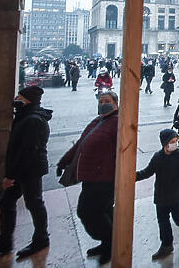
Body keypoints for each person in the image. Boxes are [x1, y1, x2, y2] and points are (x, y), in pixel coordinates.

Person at [0, 86, 52, 260]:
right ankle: (5, 242)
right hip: (23, 169)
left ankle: (41, 239)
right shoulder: (26, 116)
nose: (16, 99)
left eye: (19, 96)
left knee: (34, 203)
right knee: (9, 202)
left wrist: (11, 176)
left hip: (29, 169)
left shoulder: (32, 119)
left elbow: (26, 151)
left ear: (27, 100)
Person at [57, 91, 119, 264]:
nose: (103, 104)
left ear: (116, 103)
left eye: (107, 101)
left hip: (105, 176)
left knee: (86, 211)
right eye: (101, 101)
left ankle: (111, 242)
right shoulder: (98, 121)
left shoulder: (117, 122)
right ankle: (108, 242)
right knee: (103, 210)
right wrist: (65, 161)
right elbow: (81, 143)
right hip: (91, 176)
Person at [136, 129, 179, 260]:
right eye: (172, 142)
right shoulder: (158, 157)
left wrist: (177, 183)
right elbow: (148, 171)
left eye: (176, 141)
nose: (175, 144)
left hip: (174, 194)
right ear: (165, 144)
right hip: (161, 195)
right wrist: (134, 176)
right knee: (163, 221)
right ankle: (166, 245)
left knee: (178, 218)